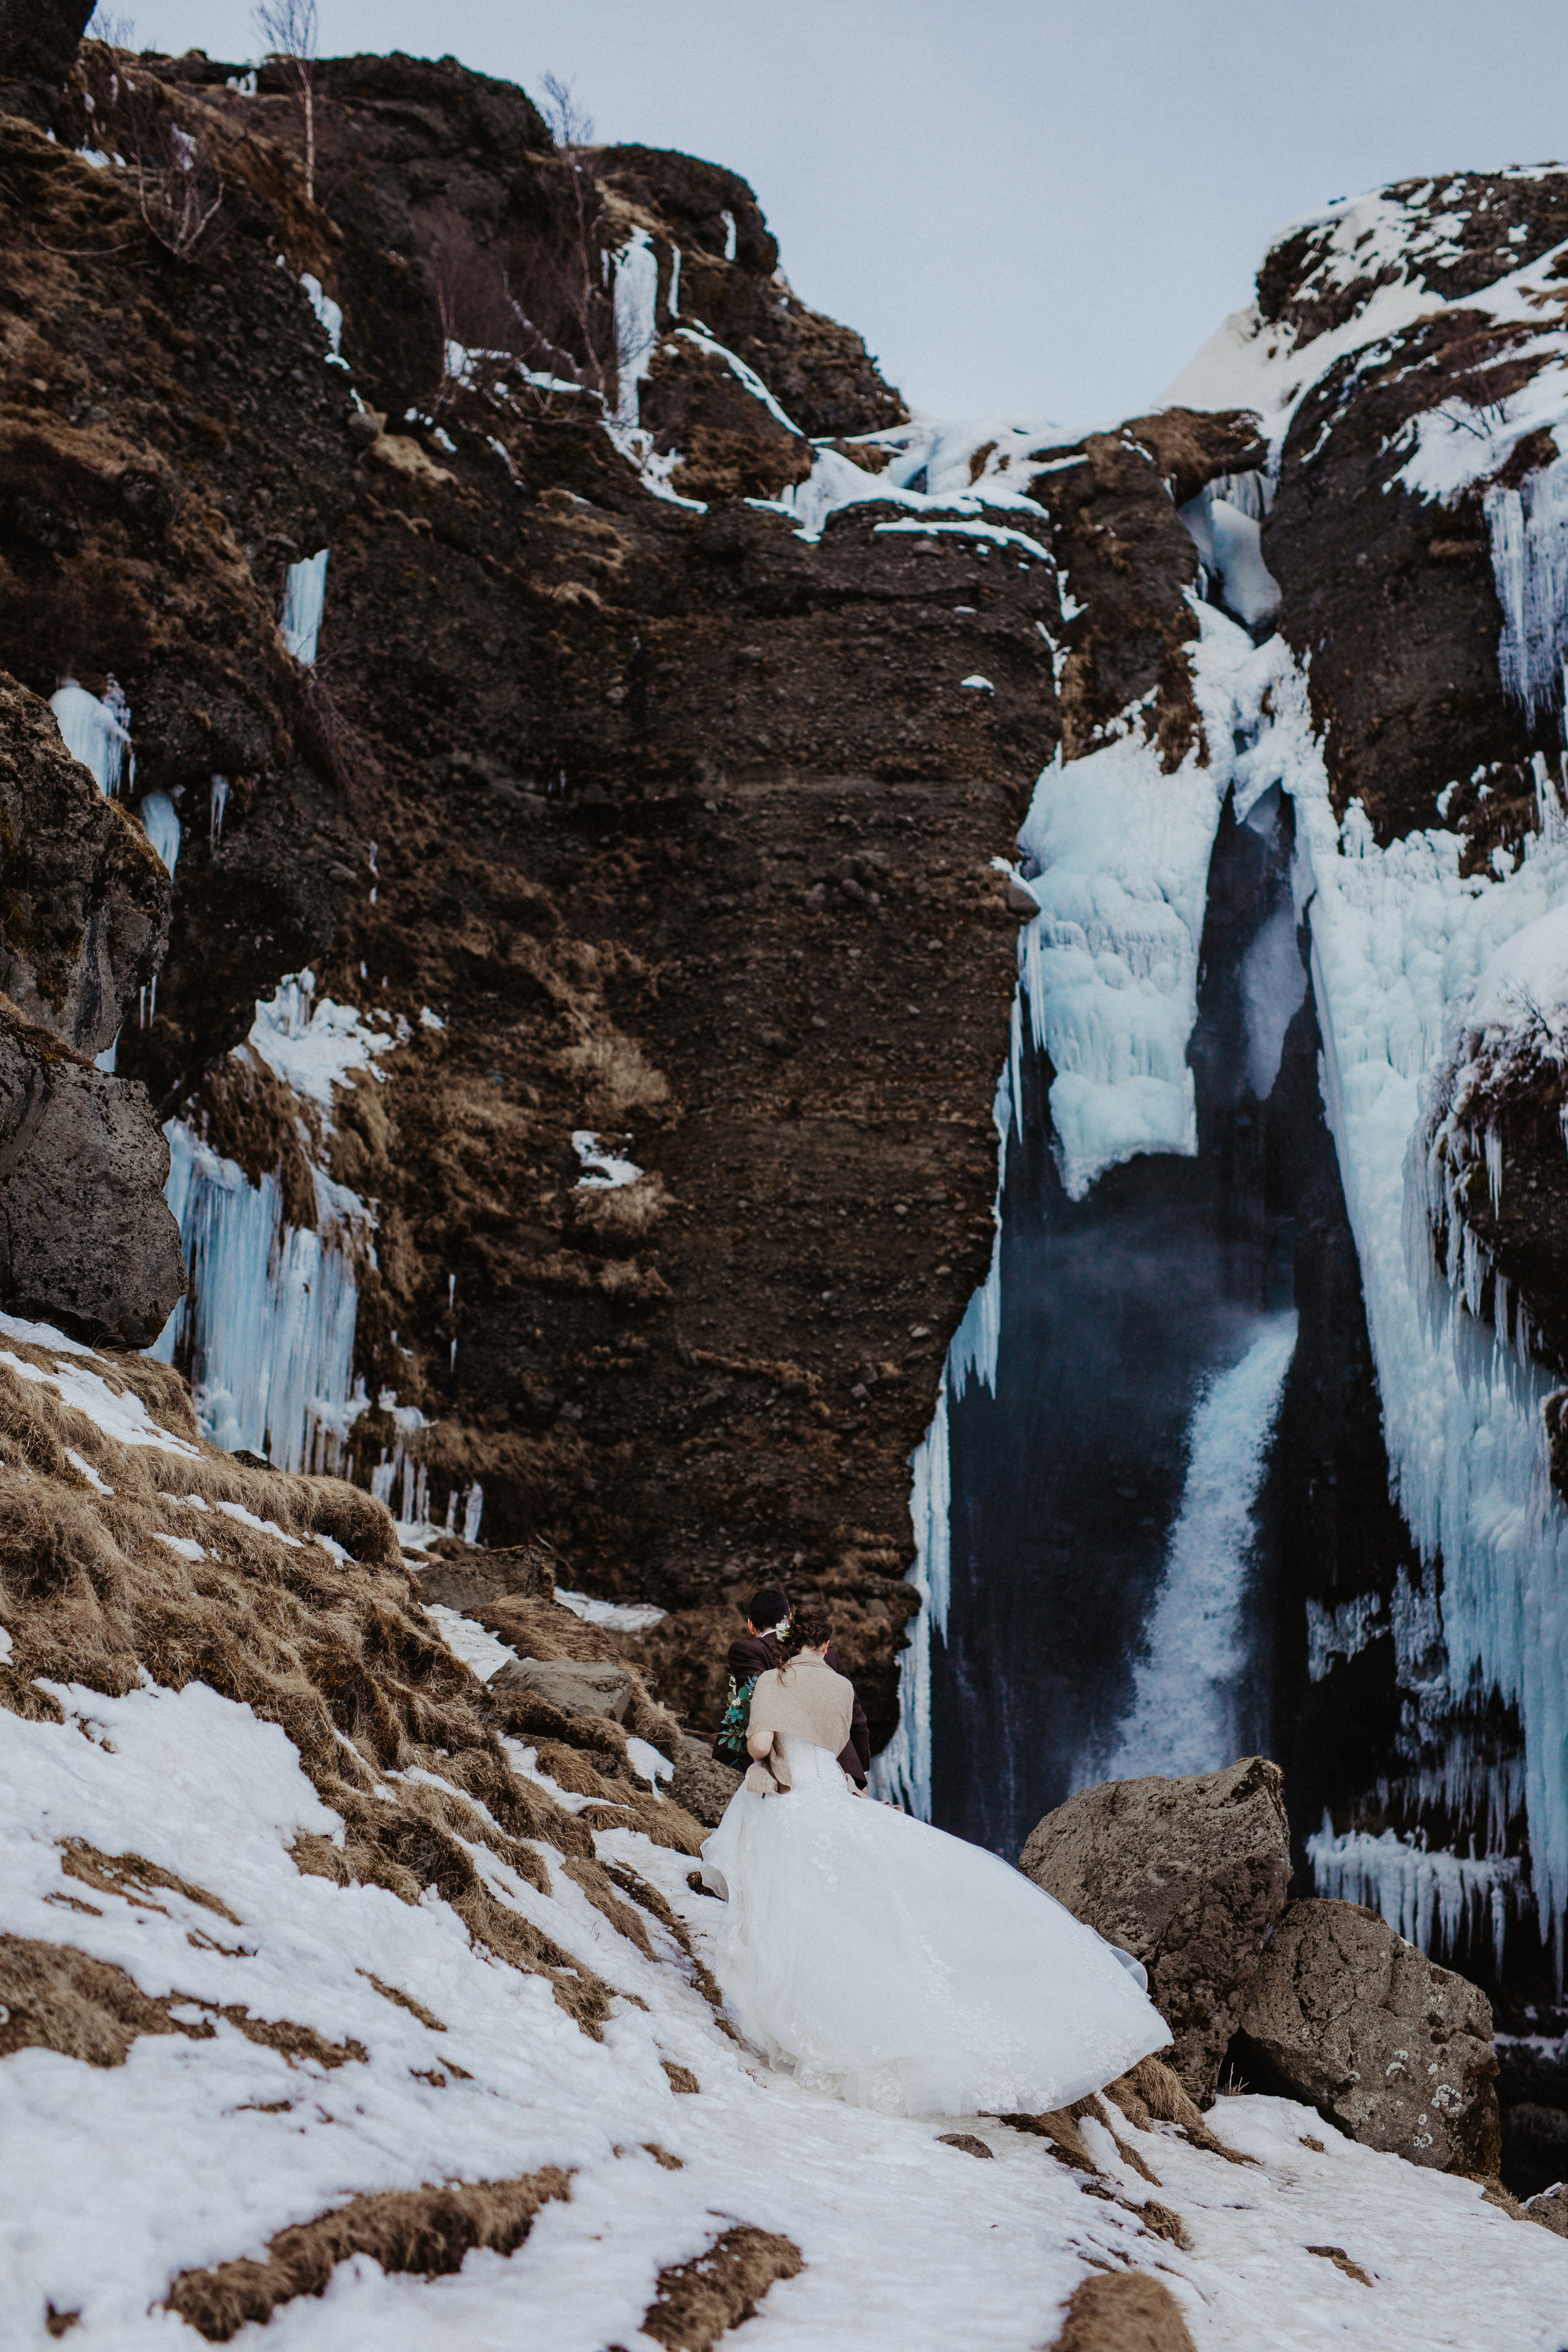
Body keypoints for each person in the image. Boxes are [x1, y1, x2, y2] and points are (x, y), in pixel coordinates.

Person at [699, 1601, 1169, 2117]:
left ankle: (810, 2011)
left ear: (787, 1644)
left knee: (799, 1904)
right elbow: (837, 1749)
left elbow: (761, 1747)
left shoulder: (773, 1681)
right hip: (833, 1794)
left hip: (791, 1806)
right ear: (827, 1645)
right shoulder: (841, 1686)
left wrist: (758, 1724)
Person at [711, 1585, 870, 1789]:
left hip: (781, 1758)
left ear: (751, 1625)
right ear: (788, 1618)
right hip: (837, 1760)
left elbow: (757, 1701)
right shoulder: (826, 1652)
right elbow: (856, 1716)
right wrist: (861, 1771)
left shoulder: (747, 1650)